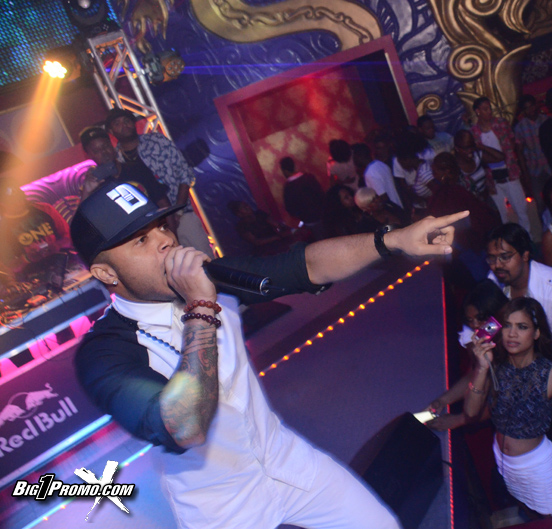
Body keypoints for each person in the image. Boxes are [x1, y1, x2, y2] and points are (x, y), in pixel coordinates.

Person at [70, 178, 470, 529]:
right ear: (107, 273)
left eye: (160, 226)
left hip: (285, 461)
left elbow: (304, 265)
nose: (166, 240)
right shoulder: (103, 355)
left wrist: (393, 240)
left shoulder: (211, 276)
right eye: (141, 240)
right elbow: (184, 426)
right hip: (222, 508)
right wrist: (200, 306)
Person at [464, 297, 552, 522]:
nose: (512, 334)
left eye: (522, 327)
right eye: (507, 325)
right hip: (504, 463)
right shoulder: (496, 365)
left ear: (536, 333)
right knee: (528, 514)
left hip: (538, 468)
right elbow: (470, 413)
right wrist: (481, 367)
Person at [484, 223, 552, 424]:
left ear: (525, 255)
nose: (497, 265)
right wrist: (482, 337)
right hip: (517, 379)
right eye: (492, 258)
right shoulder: (495, 280)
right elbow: (491, 323)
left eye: (505, 257)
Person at [105, 108, 212, 258]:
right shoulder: (115, 159)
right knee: (173, 268)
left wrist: (177, 212)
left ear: (134, 123)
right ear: (111, 131)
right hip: (151, 229)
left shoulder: (156, 141)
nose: (124, 125)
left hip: (183, 216)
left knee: (204, 260)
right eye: (117, 123)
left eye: (127, 121)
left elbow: (185, 174)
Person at [426, 279, 509, 431]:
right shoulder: (487, 337)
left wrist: (458, 420)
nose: (475, 325)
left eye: (480, 318)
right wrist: (442, 401)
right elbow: (474, 374)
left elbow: (504, 402)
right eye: (470, 320)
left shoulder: (512, 343)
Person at [470, 97, 534, 236]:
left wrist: (510, 158)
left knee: (521, 210)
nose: (489, 111)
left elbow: (511, 144)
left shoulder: (500, 123)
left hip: (509, 172)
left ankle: (527, 238)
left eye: (489, 108)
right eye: (485, 109)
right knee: (502, 215)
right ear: (478, 111)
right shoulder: (474, 131)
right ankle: (508, 241)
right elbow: (479, 156)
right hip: (491, 177)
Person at [80, 127, 171, 207]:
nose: (104, 152)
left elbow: (163, 202)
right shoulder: (95, 187)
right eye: (96, 151)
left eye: (105, 146)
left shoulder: (137, 168)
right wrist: (86, 192)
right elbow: (82, 220)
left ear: (112, 145)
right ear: (89, 156)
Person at [0, 183, 71, 276]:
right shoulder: (3, 229)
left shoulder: (45, 209)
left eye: (19, 198)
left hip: (66, 266)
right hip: (34, 277)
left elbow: (70, 238)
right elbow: (10, 268)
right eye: (12, 202)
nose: (18, 203)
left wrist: (57, 245)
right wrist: (27, 258)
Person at [514, 95, 551, 213]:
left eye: (532, 106)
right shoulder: (520, 127)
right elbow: (519, 153)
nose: (531, 110)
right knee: (540, 202)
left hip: (550, 166)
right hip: (534, 170)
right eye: (527, 108)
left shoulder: (546, 120)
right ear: (523, 111)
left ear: (536, 105)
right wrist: (525, 174)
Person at [280, 156, 325, 241]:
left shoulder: (289, 188)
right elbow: (321, 194)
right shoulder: (309, 177)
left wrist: (300, 216)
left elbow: (290, 209)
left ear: (284, 170)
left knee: (319, 242)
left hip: (308, 220)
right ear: (294, 166)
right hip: (322, 215)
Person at [227, 200, 293, 255]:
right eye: (244, 207)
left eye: (247, 205)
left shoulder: (259, 214)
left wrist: (284, 228)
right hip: (264, 250)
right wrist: (278, 237)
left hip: (278, 243)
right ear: (239, 214)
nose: (248, 207)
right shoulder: (241, 226)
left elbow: (275, 224)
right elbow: (256, 242)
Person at [351, 143, 403, 209]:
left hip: (394, 211)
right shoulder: (380, 164)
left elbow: (383, 198)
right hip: (398, 206)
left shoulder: (370, 173)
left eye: (353, 157)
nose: (353, 161)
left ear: (359, 156)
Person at [453, 129, 495, 202]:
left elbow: (500, 157)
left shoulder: (477, 156)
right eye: (466, 148)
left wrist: (482, 147)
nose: (470, 150)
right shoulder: (455, 168)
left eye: (471, 146)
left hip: (486, 199)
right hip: (472, 204)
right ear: (457, 148)